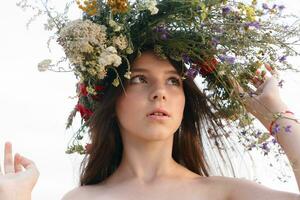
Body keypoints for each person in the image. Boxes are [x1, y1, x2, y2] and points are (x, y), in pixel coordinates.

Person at [1, 49, 300, 200]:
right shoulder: (82, 199)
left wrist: (276, 115)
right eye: (139, 79)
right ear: (112, 98)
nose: (159, 92)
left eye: (173, 81)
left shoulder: (226, 194)